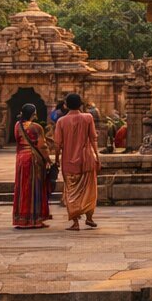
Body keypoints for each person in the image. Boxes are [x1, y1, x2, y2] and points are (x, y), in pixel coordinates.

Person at [55, 92, 100, 230]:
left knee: (71, 191)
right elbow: (93, 139)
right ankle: (89, 218)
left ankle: (75, 222)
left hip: (68, 161)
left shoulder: (61, 121)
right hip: (87, 159)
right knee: (89, 189)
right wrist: (97, 157)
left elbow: (57, 144)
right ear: (81, 104)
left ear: (65, 105)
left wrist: (56, 159)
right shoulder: (88, 118)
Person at [12, 104, 53, 229]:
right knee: (35, 187)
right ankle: (35, 220)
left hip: (21, 159)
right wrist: (48, 160)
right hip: (33, 159)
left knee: (22, 187)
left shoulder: (17, 125)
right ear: (33, 114)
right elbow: (42, 146)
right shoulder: (36, 127)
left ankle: (22, 219)